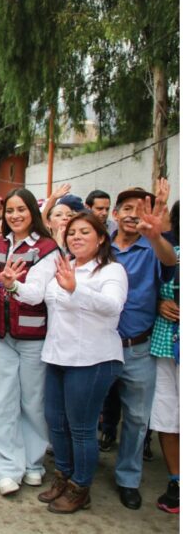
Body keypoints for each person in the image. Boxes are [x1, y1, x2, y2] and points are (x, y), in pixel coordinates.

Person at [6, 212, 128, 512]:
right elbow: (38, 297)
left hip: (93, 359)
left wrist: (77, 288)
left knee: (82, 428)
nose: (76, 237)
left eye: (85, 232)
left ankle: (80, 487)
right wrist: (13, 286)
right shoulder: (65, 265)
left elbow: (113, 307)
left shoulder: (111, 271)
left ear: (101, 238)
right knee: (55, 422)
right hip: (58, 355)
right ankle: (63, 476)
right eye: (72, 232)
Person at [0, 188, 60, 496]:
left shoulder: (48, 249)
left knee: (32, 403)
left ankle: (32, 464)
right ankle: (4, 468)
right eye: (10, 210)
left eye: (21, 209)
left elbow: (37, 294)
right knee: (0, 402)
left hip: (32, 339)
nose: (15, 216)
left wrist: (14, 286)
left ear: (33, 212)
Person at [109, 184, 176, 510]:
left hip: (138, 347)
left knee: (136, 419)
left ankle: (128, 479)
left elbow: (171, 259)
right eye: (127, 208)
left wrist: (156, 236)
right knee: (88, 414)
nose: (133, 214)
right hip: (99, 348)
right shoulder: (100, 246)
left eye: (139, 209)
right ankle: (80, 476)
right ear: (115, 214)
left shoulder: (153, 248)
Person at [150, 200, 180, 514]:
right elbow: (160, 274)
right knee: (167, 417)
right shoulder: (171, 254)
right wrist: (160, 301)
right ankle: (176, 480)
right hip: (166, 346)